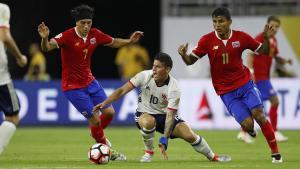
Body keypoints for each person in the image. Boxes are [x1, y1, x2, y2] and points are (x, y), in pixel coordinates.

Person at [37, 4, 143, 161]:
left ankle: (95, 132)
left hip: (90, 81)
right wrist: (45, 38)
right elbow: (47, 48)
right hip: (73, 87)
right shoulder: (67, 36)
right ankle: (106, 148)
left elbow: (113, 42)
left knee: (109, 113)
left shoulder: (95, 34)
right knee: (95, 119)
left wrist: (130, 41)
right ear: (76, 23)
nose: (86, 26)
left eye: (88, 22)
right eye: (83, 23)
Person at [177, 7, 283, 163]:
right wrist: (183, 55)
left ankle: (276, 154)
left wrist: (266, 38)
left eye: (221, 21)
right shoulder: (207, 40)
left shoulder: (241, 37)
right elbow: (190, 61)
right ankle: (250, 130)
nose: (217, 25)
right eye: (214, 21)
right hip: (226, 91)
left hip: (245, 83)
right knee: (247, 125)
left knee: (259, 114)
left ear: (229, 22)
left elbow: (264, 51)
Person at [93, 53, 231, 163]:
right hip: (144, 113)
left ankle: (213, 157)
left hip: (165, 116)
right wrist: (105, 102)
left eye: (158, 67)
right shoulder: (144, 76)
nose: (154, 69)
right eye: (153, 66)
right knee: (148, 122)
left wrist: (165, 139)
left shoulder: (174, 87)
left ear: (168, 69)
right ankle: (148, 152)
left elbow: (170, 116)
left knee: (190, 135)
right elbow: (122, 91)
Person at [238, 16, 291, 143]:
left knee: (255, 106)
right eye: (272, 26)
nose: (275, 29)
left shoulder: (274, 41)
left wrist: (284, 61)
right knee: (275, 101)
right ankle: (275, 131)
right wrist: (251, 73)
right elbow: (250, 54)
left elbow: (275, 55)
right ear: (267, 25)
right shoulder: (260, 38)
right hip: (258, 77)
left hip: (265, 77)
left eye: (277, 26)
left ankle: (243, 132)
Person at [0, 3, 28, 155]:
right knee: (12, 115)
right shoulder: (2, 8)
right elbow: (4, 36)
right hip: (0, 72)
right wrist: (20, 57)